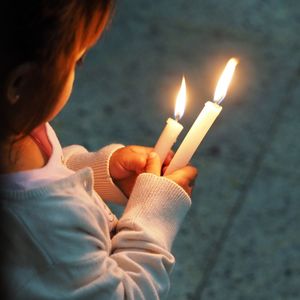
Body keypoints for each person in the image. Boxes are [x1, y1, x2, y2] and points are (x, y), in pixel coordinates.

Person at [0, 1, 198, 299]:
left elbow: (49, 173)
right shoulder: (42, 229)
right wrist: (153, 217)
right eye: (76, 61)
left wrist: (103, 172)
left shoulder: (16, 130)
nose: (77, 68)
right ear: (19, 83)